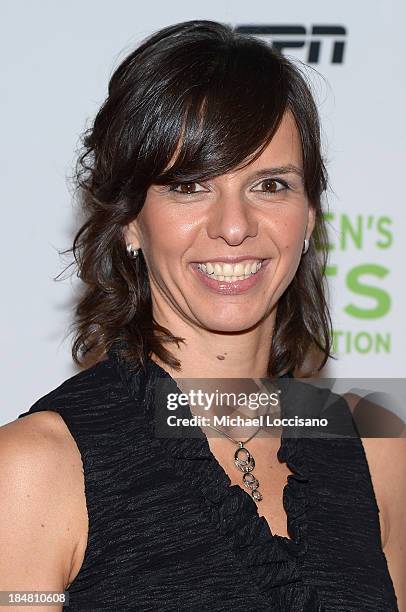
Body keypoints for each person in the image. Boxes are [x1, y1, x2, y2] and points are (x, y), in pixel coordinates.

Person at [0, 19, 404, 612]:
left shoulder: (377, 449)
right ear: (131, 219)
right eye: (189, 185)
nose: (234, 226)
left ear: (311, 214)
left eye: (270, 184)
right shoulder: (36, 470)